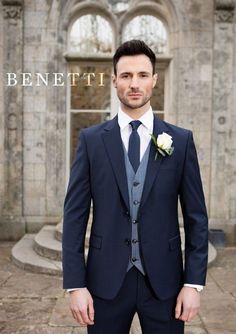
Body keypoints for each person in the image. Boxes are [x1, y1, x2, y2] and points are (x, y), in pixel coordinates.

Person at [62, 39, 208, 334]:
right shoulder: (91, 141)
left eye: (142, 75)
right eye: (126, 76)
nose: (134, 84)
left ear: (155, 79)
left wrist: (193, 284)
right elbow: (74, 217)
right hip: (104, 283)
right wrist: (75, 285)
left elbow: (196, 218)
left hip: (166, 284)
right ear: (114, 80)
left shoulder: (180, 141)